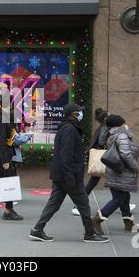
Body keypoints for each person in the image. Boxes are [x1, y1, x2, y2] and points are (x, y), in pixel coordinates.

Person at [29, 104, 109, 244]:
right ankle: (89, 234)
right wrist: (70, 176)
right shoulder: (70, 130)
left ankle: (37, 230)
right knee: (83, 204)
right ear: (73, 114)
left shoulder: (67, 128)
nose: (81, 114)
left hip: (62, 174)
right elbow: (66, 155)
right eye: (79, 112)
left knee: (54, 204)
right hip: (69, 175)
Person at [92, 115, 139, 235]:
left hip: (116, 172)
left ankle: (128, 223)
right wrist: (135, 167)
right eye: (124, 122)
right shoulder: (122, 136)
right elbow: (126, 154)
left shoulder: (115, 135)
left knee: (124, 197)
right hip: (121, 172)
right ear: (120, 124)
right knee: (119, 199)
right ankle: (97, 220)